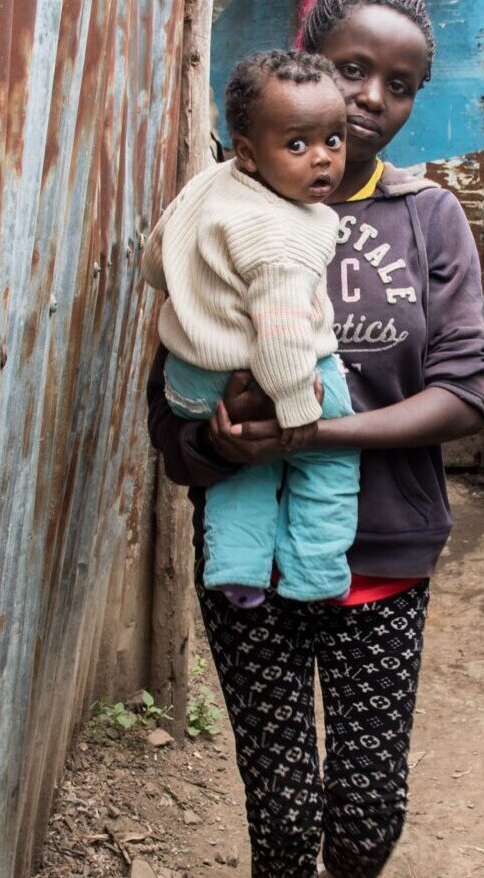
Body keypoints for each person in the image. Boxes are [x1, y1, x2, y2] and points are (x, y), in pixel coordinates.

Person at [145, 0, 484, 878]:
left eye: (402, 83)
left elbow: (466, 394)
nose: (372, 99)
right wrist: (219, 441)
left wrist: (316, 433)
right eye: (352, 70)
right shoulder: (224, 214)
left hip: (381, 559)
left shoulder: (431, 220)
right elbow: (171, 413)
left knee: (366, 819)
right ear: (311, 64)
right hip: (250, 559)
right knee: (286, 815)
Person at [140, 50, 359, 608]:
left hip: (194, 381)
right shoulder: (282, 233)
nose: (322, 161)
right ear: (249, 152)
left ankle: (237, 572)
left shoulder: (213, 185)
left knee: (245, 469)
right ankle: (316, 574)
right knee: (327, 460)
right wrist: (296, 410)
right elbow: (284, 334)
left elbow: (155, 261)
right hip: (271, 373)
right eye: (297, 145)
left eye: (333, 140)